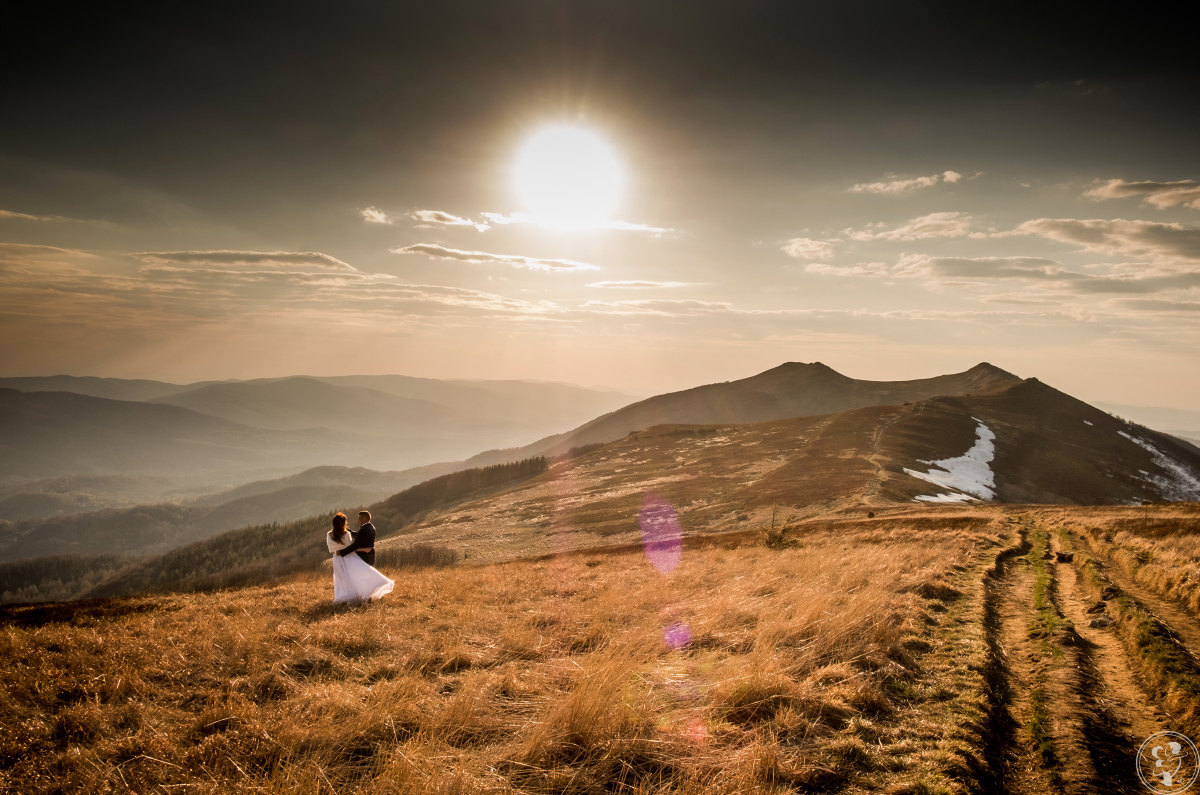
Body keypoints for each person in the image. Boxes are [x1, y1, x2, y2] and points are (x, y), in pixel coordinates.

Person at [326, 512, 393, 603]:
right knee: (360, 575)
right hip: (351, 557)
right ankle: (364, 592)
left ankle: (347, 594)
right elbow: (353, 541)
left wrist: (341, 552)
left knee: (342, 578)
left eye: (359, 519)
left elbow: (354, 545)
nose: (358, 520)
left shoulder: (329, 534)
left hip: (338, 558)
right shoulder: (370, 528)